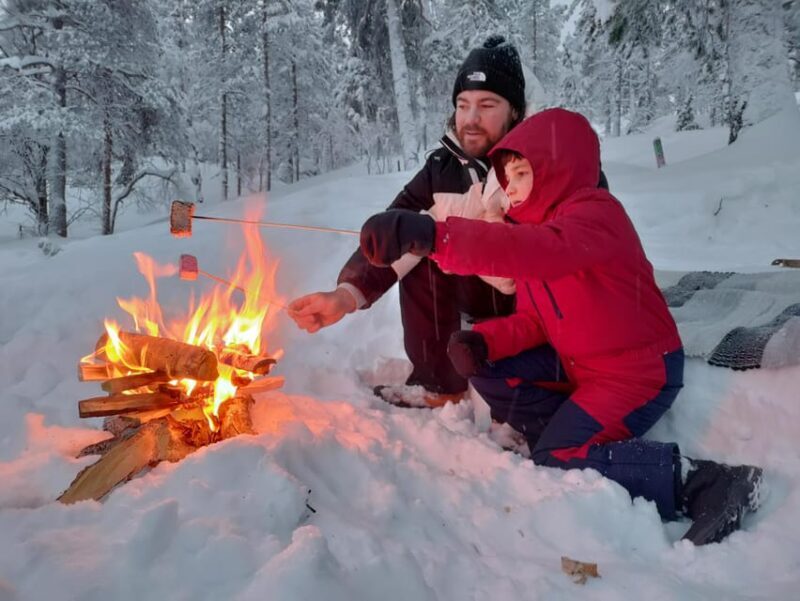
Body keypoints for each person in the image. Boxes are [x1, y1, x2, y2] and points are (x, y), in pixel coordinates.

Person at [358, 108, 763, 545]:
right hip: (579, 364)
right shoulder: (536, 231)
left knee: (556, 457)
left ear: (555, 167)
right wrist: (485, 342)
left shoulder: (595, 215)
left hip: (638, 374)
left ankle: (704, 482)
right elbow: (535, 319)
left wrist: (435, 236)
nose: (508, 187)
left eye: (519, 172)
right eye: (504, 176)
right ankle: (559, 427)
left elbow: (536, 251)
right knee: (488, 365)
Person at [289, 35, 609, 407]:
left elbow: (578, 244)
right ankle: (439, 384)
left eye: (487, 105)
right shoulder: (442, 169)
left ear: (516, 112)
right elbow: (398, 226)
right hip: (482, 294)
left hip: (538, 306)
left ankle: (537, 382)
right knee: (420, 245)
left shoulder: (555, 162)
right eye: (463, 104)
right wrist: (346, 295)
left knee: (440, 242)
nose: (470, 119)